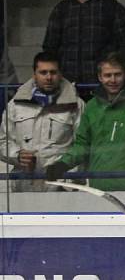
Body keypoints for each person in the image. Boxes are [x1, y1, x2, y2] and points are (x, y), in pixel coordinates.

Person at [45, 52, 125, 191]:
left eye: (117, 74)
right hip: (98, 188)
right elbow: (82, 144)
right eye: (107, 75)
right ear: (100, 77)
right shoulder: (92, 106)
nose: (113, 80)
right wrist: (62, 164)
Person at [42, 0, 125, 89]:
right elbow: (50, 48)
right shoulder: (61, 9)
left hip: (104, 86)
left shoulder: (113, 9)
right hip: (68, 85)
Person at [0, 52, 84, 192]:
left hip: (61, 185)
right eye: (43, 72)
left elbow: (82, 146)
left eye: (53, 72)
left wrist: (69, 176)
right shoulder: (15, 105)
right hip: (24, 184)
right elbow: (2, 141)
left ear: (60, 74)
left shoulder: (76, 105)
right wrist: (17, 155)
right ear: (34, 74)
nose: (48, 77)